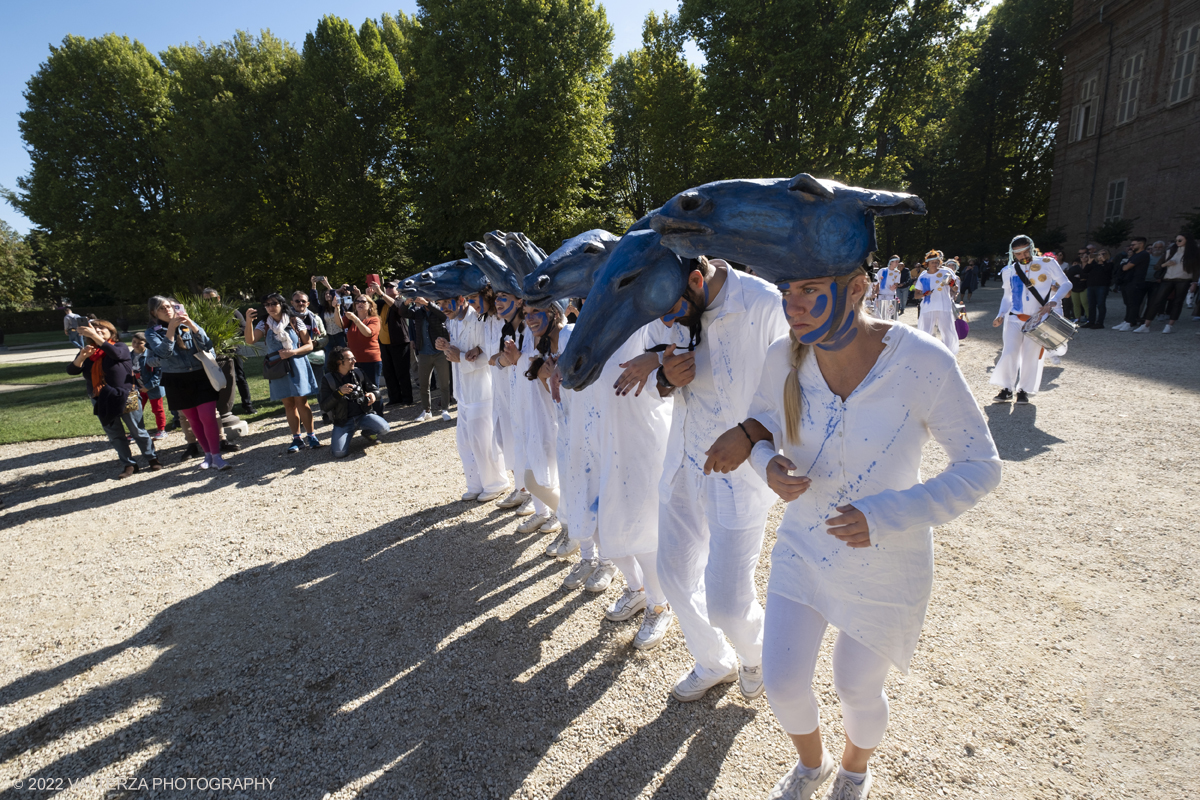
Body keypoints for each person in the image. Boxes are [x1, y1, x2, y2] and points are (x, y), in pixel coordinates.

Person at [703, 264, 1001, 800]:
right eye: (790, 289)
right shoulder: (782, 356)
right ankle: (811, 767)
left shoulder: (921, 360)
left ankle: (854, 772)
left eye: (810, 290)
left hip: (888, 559)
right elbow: (760, 425)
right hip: (803, 546)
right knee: (783, 680)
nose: (793, 305)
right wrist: (766, 463)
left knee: (857, 684)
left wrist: (887, 514)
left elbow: (981, 464)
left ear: (858, 287)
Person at [617, 255, 789, 702]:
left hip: (741, 473)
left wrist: (752, 434)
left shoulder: (764, 306)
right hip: (682, 462)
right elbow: (659, 372)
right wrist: (664, 377)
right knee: (673, 575)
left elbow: (800, 387)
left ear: (697, 278)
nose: (666, 322)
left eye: (672, 312)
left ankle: (757, 655)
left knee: (730, 602)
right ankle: (714, 660)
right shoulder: (668, 302)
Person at [66, 320, 163, 478]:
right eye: (94, 328)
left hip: (126, 395)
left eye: (101, 328)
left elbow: (115, 354)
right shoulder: (90, 351)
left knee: (137, 430)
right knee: (115, 435)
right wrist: (82, 357)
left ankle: (152, 458)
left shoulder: (120, 347)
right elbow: (72, 370)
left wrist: (94, 336)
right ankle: (128, 464)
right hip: (100, 399)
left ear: (111, 331)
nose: (97, 330)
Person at [437, 294, 509, 503]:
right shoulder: (452, 321)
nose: (443, 308)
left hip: (481, 390)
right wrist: (446, 347)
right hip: (463, 392)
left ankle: (496, 482)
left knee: (483, 440)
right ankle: (475, 484)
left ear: (460, 299)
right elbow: (456, 352)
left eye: (445, 302)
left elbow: (488, 355)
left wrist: (459, 356)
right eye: (439, 304)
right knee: (465, 442)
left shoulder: (479, 320)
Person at [145, 296, 230, 470]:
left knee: (208, 416)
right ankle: (207, 455)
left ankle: (217, 456)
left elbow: (207, 345)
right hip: (176, 379)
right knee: (193, 420)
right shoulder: (152, 332)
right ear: (154, 312)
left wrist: (192, 325)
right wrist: (170, 330)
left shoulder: (188, 324)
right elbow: (163, 353)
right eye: (162, 308)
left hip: (200, 375)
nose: (167, 310)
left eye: (169, 306)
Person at [990, 236, 1070, 404]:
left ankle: (1023, 390)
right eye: (1018, 253)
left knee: (1030, 355)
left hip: (1038, 319)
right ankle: (1006, 388)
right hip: (1014, 318)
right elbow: (1007, 296)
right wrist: (1001, 314)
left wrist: (1053, 301)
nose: (1023, 255)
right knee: (1009, 352)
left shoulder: (1047, 263)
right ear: (1013, 253)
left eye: (1026, 251)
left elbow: (1066, 284)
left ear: (1032, 248)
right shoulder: (1009, 270)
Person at [245, 293, 320, 453]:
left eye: (274, 303)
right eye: (267, 304)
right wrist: (249, 321)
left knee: (302, 402)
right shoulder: (264, 323)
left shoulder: (294, 320)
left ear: (281, 304)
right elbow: (250, 340)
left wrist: (293, 352)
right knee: (288, 404)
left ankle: (311, 436)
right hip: (276, 366)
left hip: (296, 363)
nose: (270, 307)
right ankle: (296, 438)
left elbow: (309, 345)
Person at [318, 346, 390, 457]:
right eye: (350, 359)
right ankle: (345, 435)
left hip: (363, 416)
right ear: (339, 362)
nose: (355, 361)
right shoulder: (328, 379)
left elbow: (375, 390)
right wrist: (339, 393)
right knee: (339, 453)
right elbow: (324, 406)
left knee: (384, 428)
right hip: (343, 421)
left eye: (354, 358)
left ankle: (367, 432)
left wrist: (373, 395)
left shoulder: (358, 372)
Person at [201, 288, 255, 414]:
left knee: (239, 377)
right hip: (212, 351)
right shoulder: (203, 314)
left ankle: (248, 405)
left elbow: (243, 326)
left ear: (218, 298)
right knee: (214, 378)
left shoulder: (231, 311)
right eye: (206, 300)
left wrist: (227, 336)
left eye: (213, 299)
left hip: (232, 348)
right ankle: (220, 406)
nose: (210, 302)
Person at [1134, 233, 1199, 334]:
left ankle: (1170, 325)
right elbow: (1157, 266)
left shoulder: (1194, 253)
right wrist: (1166, 264)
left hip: (1184, 280)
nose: (1177, 242)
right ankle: (1146, 325)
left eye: (1180, 240)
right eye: (1176, 240)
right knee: (1157, 301)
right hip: (1168, 279)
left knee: (1177, 303)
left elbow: (1196, 269)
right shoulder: (1170, 251)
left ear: (1187, 240)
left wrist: (1194, 283)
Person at [368, 280, 415, 406]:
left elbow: (398, 308)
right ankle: (394, 398)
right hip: (384, 343)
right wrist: (369, 296)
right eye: (386, 287)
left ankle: (407, 399)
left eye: (391, 287)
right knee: (389, 372)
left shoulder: (402, 301)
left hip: (399, 342)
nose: (388, 288)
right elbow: (368, 308)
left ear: (398, 290)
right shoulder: (381, 302)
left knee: (402, 372)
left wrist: (381, 293)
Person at [408, 296, 453, 422]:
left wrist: (428, 304)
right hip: (424, 352)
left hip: (440, 352)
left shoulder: (438, 309)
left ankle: (445, 409)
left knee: (444, 383)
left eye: (426, 297)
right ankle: (426, 411)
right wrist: (406, 302)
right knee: (424, 384)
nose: (423, 299)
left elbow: (444, 317)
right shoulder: (417, 312)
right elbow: (404, 313)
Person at [913, 250, 959, 355]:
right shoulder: (923, 276)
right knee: (925, 331)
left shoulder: (946, 273)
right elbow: (916, 295)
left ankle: (949, 353)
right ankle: (925, 352)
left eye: (937, 262)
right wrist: (924, 294)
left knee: (947, 331)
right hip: (928, 307)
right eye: (932, 262)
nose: (935, 264)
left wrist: (950, 282)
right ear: (927, 263)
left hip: (944, 306)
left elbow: (956, 289)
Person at [130, 332, 167, 439]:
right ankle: (135, 432)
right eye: (134, 342)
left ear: (146, 344)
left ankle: (161, 430)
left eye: (140, 343)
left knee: (157, 409)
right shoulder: (128, 356)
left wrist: (148, 386)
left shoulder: (152, 355)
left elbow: (159, 373)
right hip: (135, 388)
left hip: (153, 388)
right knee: (133, 411)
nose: (136, 345)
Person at [1113, 237, 1149, 331]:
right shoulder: (1135, 255)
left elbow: (1126, 267)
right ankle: (1127, 320)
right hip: (1128, 281)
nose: (1131, 247)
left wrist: (1123, 266)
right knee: (1128, 303)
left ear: (1141, 244)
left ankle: (1130, 322)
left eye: (1133, 244)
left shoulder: (1143, 254)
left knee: (1134, 303)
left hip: (1137, 282)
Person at [1082, 248, 1114, 328]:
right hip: (1091, 286)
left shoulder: (1109, 264)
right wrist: (1089, 261)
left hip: (1102, 286)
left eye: (1103, 254)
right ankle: (1091, 321)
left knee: (1100, 304)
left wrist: (1104, 261)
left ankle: (1100, 322)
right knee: (1091, 305)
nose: (1101, 256)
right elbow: (1085, 271)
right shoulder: (1093, 264)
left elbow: (1108, 271)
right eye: (1099, 254)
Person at [872, 256, 901, 321]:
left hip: (891, 296)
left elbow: (896, 283)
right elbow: (876, 282)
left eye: (898, 262)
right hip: (881, 295)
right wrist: (875, 292)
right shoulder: (882, 271)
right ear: (891, 262)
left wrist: (894, 287)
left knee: (891, 316)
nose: (897, 263)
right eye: (896, 262)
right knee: (880, 315)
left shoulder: (897, 272)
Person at [1065, 256, 1089, 324]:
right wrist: (1081, 277)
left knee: (1085, 303)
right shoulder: (1073, 268)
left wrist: (1080, 277)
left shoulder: (1089, 267)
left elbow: (1088, 276)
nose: (1083, 258)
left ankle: (1089, 316)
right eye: (1082, 257)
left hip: (1084, 287)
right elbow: (1069, 276)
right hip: (1074, 287)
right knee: (1075, 304)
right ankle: (1077, 317)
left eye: (1085, 257)